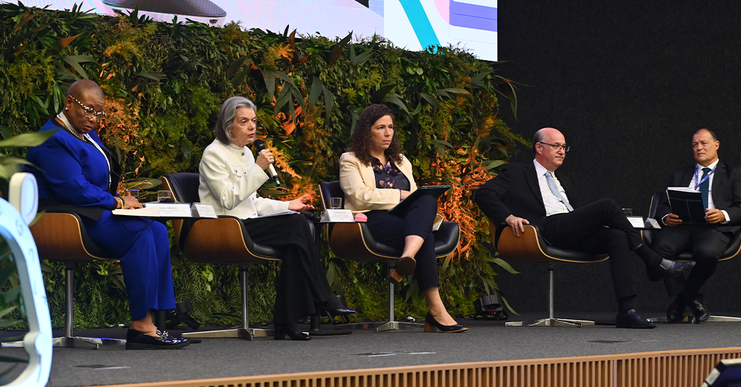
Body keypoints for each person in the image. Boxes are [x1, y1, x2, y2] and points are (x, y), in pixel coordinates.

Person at [474, 127, 695, 329]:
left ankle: (626, 310)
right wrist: (508, 217)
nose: (562, 151)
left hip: (568, 230)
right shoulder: (517, 172)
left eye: (564, 147)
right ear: (539, 147)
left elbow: (576, 215)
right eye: (556, 146)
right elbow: (483, 193)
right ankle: (653, 261)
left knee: (617, 235)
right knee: (607, 205)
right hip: (543, 230)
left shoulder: (563, 180)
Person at [27, 80, 189, 349]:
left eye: (99, 113)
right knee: (139, 234)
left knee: (158, 230)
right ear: (68, 103)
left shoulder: (83, 133)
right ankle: (141, 326)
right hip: (64, 218)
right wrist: (115, 200)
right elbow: (73, 188)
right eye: (88, 110)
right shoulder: (53, 139)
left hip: (89, 211)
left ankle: (156, 320)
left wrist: (120, 201)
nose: (93, 118)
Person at [198, 96, 354, 341]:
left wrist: (288, 205)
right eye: (244, 121)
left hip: (248, 222)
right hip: (226, 226)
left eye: (253, 121)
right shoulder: (213, 154)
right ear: (228, 125)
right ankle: (323, 297)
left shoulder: (247, 154)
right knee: (296, 226)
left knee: (302, 227)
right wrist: (259, 169)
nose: (252, 127)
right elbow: (228, 200)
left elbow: (253, 202)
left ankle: (286, 321)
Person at [339, 104, 467, 333]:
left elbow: (415, 200)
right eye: (381, 128)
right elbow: (360, 197)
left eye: (390, 127)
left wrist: (413, 199)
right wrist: (400, 195)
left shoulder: (401, 161)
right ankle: (436, 310)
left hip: (403, 219)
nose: (388, 133)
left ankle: (407, 258)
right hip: (370, 222)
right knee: (422, 234)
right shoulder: (350, 159)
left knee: (426, 199)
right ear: (367, 131)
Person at [651, 128, 741, 323]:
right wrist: (666, 217)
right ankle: (692, 298)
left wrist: (723, 214)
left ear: (716, 145)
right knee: (657, 249)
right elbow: (662, 204)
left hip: (713, 227)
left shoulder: (733, 173)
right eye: (695, 144)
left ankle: (681, 299)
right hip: (682, 226)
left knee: (706, 252)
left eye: (704, 143)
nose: (699, 147)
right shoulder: (679, 174)